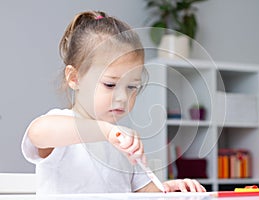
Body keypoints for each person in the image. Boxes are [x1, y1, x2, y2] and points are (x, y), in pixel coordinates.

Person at [21, 10, 206, 194]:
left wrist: (168, 191)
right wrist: (108, 131)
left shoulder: (124, 141)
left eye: (132, 87)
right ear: (74, 78)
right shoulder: (62, 125)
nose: (122, 97)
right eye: (110, 84)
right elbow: (38, 132)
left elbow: (146, 192)